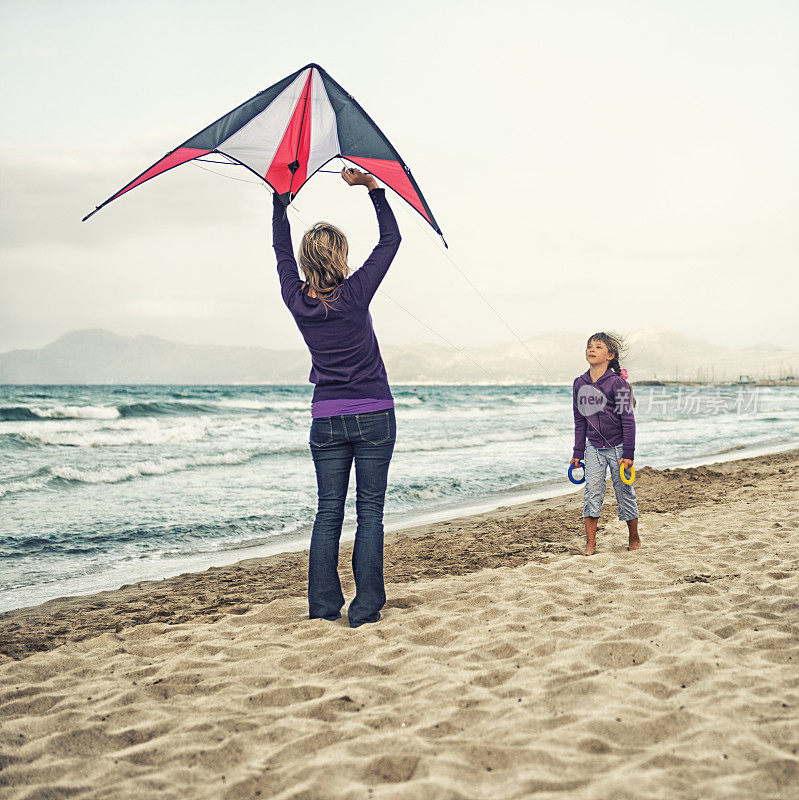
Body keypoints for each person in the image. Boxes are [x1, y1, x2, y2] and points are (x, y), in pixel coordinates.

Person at [271, 167, 401, 627]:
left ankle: (324, 607)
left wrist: (279, 201)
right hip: (374, 415)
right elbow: (391, 241)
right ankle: (364, 608)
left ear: (305, 262)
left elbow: (280, 251)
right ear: (341, 257)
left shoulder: (296, 297)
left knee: (328, 513)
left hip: (325, 420)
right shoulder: (354, 294)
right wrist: (372, 189)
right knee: (369, 514)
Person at [570, 332, 641, 555]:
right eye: (589, 346)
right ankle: (591, 544)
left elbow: (628, 420)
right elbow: (579, 421)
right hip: (593, 447)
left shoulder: (618, 384)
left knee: (624, 491)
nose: (591, 349)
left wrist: (628, 453)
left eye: (598, 347)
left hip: (619, 447)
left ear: (610, 355)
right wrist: (577, 452)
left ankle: (634, 537)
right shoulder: (579, 383)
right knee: (592, 492)